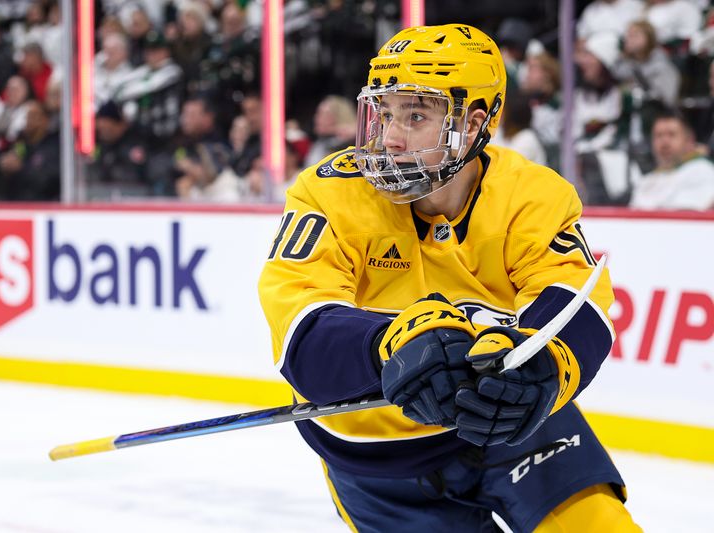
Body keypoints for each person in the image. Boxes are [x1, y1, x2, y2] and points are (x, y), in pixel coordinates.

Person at [258, 24, 642, 532]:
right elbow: (299, 328)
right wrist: (389, 346)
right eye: (385, 112)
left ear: (474, 121)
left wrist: (545, 368)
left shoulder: (532, 194)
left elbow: (575, 298)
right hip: (378, 462)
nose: (390, 137)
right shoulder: (327, 193)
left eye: (416, 115)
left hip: (509, 423)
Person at [630, 109, 714, 210]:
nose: (664, 142)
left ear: (689, 141)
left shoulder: (701, 170)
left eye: (671, 134)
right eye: (658, 135)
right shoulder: (647, 179)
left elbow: (688, 213)